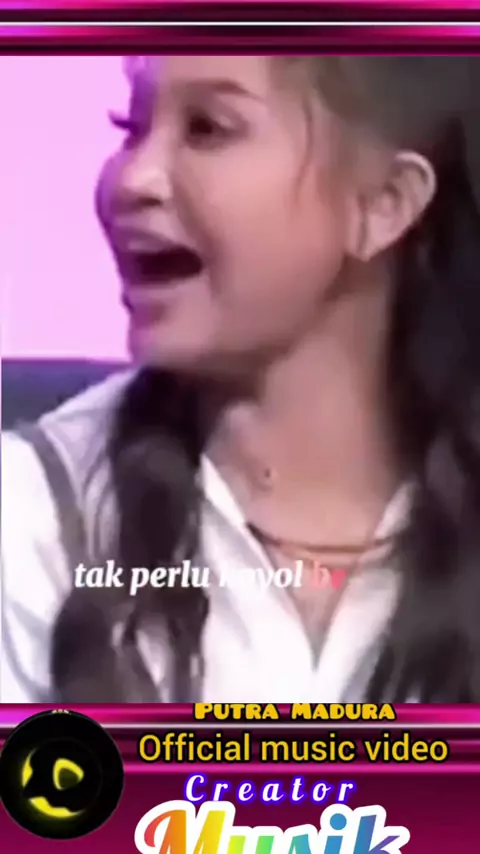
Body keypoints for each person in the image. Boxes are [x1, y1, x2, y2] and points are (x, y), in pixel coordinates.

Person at [3, 55, 480, 704]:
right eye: (131, 128)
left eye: (208, 128)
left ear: (383, 203)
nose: (131, 178)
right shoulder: (33, 516)